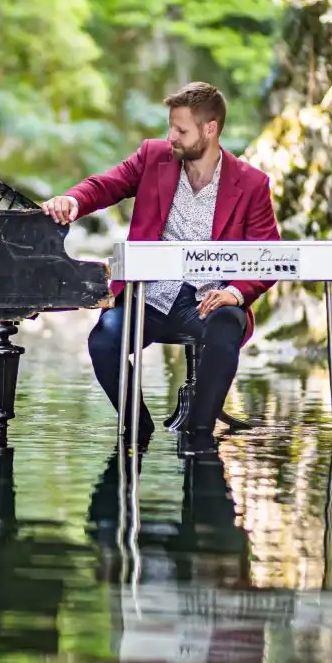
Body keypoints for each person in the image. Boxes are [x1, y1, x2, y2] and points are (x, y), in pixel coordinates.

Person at [43, 81, 280, 440]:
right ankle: (138, 429)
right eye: (171, 127)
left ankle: (200, 434)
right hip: (147, 298)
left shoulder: (251, 184)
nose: (171, 137)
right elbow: (105, 186)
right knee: (103, 341)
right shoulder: (152, 157)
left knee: (226, 328)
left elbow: (268, 254)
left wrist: (235, 292)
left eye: (181, 130)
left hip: (208, 301)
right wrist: (72, 201)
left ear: (210, 129)